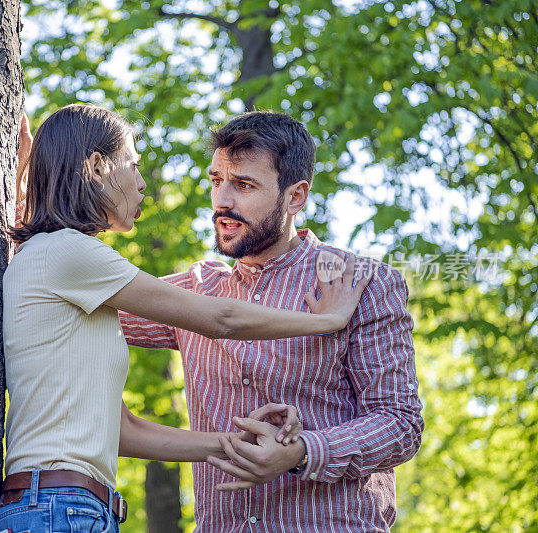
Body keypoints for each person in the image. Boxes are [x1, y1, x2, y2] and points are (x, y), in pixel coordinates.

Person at [0, 104, 372, 533]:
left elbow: (126, 431)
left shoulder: (59, 265)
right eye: (132, 166)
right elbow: (222, 317)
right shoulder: (68, 253)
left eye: (243, 184)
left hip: (70, 506)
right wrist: (327, 319)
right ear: (98, 167)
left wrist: (238, 444)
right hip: (58, 507)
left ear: (295, 196)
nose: (141, 184)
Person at [118, 111, 425, 531]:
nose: (222, 201)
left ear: (295, 197)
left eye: (243, 184)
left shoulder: (361, 283)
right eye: (216, 181)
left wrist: (302, 452)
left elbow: (400, 424)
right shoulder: (194, 291)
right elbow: (86, 302)